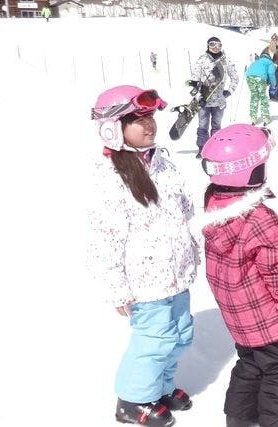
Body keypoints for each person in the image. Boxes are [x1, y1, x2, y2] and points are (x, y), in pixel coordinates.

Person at [88, 85, 198, 426]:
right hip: (144, 282)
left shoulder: (163, 163)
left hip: (176, 274)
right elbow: (104, 240)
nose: (149, 124)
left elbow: (185, 211)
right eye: (137, 119)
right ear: (113, 127)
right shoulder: (110, 178)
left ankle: (159, 388)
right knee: (154, 340)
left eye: (150, 116)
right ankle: (133, 399)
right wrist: (116, 288)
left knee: (180, 335)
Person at [194, 124, 278, 427]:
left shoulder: (215, 205)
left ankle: (240, 418)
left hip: (238, 314)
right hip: (266, 316)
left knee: (251, 361)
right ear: (252, 171)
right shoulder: (259, 218)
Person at [188, 37, 239, 158]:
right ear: (208, 46)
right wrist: (198, 94)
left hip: (219, 101)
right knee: (203, 126)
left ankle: (215, 148)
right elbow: (195, 79)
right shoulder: (202, 60)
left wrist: (229, 91)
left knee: (216, 126)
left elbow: (235, 78)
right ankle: (202, 148)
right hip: (204, 100)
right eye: (212, 45)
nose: (215, 48)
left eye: (218, 45)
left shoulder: (225, 61)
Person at [245, 52, 276, 126]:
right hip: (260, 78)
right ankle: (265, 119)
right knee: (263, 97)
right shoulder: (269, 62)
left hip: (249, 77)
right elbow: (271, 73)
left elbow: (250, 69)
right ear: (269, 57)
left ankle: (253, 118)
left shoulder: (257, 61)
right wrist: (273, 84)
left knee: (254, 97)